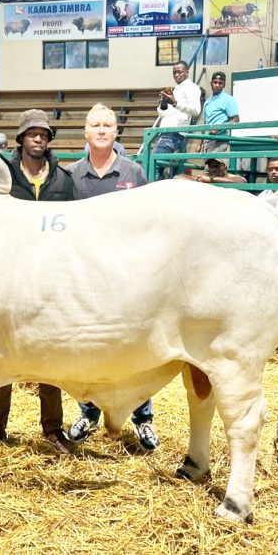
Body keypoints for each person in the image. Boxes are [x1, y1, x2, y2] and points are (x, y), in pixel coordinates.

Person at [66, 103, 158, 451]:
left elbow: (149, 220)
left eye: (108, 125)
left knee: (136, 349)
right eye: (96, 125)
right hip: (84, 278)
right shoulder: (72, 175)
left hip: (127, 276)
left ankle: (142, 418)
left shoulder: (133, 171)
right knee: (86, 347)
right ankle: (88, 412)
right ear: (86, 133)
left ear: (116, 132)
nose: (102, 130)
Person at [0, 109, 74, 455]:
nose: (38, 138)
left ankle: (52, 429)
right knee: (2, 354)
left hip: (50, 277)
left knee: (49, 355)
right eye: (32, 133)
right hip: (8, 274)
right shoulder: (3, 175)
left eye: (44, 134)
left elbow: (74, 225)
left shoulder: (63, 180)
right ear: (21, 138)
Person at [152, 60, 202, 180]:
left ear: (187, 72)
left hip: (174, 134)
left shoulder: (192, 88)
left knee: (155, 167)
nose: (177, 75)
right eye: (174, 72)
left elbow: (196, 110)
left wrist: (175, 102)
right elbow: (164, 113)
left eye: (180, 72)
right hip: (166, 132)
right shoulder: (175, 90)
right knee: (171, 172)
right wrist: (163, 103)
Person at [200, 71, 239, 156]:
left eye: (220, 83)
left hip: (220, 140)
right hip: (207, 140)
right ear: (211, 83)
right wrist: (200, 143)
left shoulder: (228, 99)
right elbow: (205, 123)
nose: (217, 85)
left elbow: (236, 120)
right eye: (215, 82)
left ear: (224, 85)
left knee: (215, 167)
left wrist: (219, 128)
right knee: (208, 168)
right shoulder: (207, 101)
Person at [178, 158, 245, 184]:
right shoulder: (205, 177)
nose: (213, 169)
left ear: (225, 168)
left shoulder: (229, 177)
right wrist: (197, 180)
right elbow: (178, 177)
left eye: (217, 166)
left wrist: (210, 179)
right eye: (210, 166)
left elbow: (242, 181)